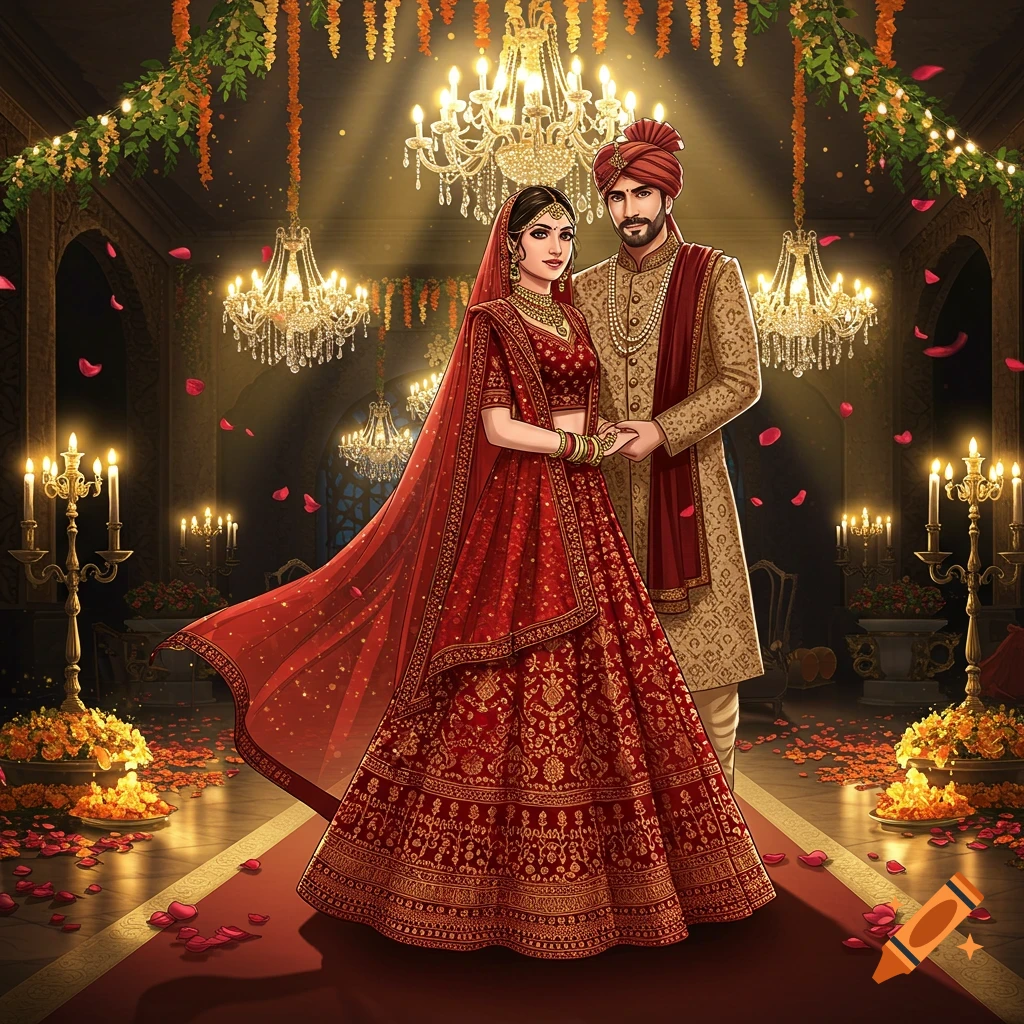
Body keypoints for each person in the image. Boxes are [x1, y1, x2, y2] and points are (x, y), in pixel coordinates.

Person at [153, 185, 775, 959]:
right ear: (510, 245)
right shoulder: (491, 321)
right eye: (541, 234)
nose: (557, 247)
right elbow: (499, 428)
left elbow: (589, 403)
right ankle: (450, 883)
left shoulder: (576, 315)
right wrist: (578, 448)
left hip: (586, 505)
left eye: (567, 234)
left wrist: (607, 442)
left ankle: (631, 875)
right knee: (496, 676)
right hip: (525, 506)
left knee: (613, 682)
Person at [573, 119, 765, 787]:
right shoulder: (583, 288)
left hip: (692, 504)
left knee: (707, 686)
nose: (629, 209)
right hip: (601, 502)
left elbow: (741, 379)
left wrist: (661, 430)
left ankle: (721, 832)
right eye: (617, 197)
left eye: (641, 194)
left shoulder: (714, 274)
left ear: (666, 195)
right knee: (607, 689)